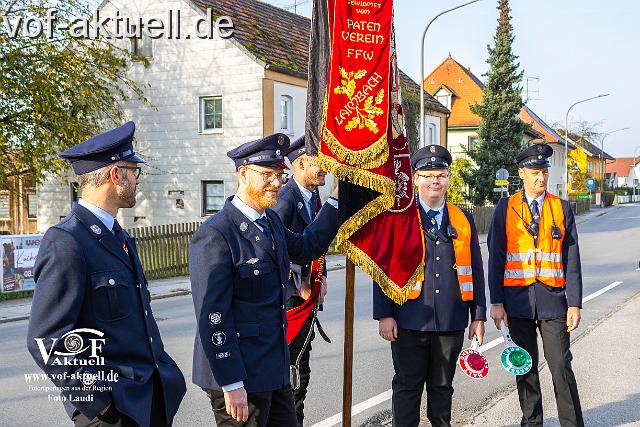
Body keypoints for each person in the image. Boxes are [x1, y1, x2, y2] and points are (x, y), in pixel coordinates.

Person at [27, 122, 186, 427]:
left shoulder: (120, 236)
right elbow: (45, 339)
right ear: (116, 175)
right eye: (133, 171)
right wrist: (100, 405)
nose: (137, 181)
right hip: (115, 412)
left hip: (149, 397)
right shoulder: (67, 241)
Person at [189, 133, 339, 427]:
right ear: (243, 174)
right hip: (239, 375)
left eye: (279, 175)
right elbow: (213, 317)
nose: (275, 182)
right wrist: (231, 383)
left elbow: (307, 246)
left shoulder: (269, 222)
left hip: (272, 368)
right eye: (267, 175)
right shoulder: (216, 234)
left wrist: (335, 201)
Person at [373, 145, 486, 427]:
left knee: (442, 388)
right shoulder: (399, 218)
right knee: (407, 388)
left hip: (450, 320)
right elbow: (382, 267)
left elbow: (476, 269)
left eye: (441, 174)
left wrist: (479, 316)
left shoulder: (463, 219)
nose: (435, 180)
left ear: (449, 179)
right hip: (409, 319)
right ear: (415, 179)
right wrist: (384, 314)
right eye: (428, 175)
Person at [487, 143, 583, 427]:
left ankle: (572, 423)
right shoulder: (505, 208)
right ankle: (532, 423)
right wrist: (496, 303)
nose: (541, 178)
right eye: (535, 172)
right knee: (524, 368)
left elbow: (572, 259)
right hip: (516, 302)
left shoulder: (561, 208)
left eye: (544, 172)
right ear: (522, 174)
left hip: (553, 300)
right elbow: (496, 258)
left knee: (561, 366)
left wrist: (575, 302)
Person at [271, 136, 329, 426]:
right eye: (319, 161)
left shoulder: (313, 196)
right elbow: (275, 247)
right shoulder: (286, 199)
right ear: (301, 163)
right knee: (293, 373)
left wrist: (323, 276)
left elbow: (317, 241)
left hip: (306, 300)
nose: (325, 167)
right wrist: (299, 282)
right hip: (290, 302)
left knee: (301, 371)